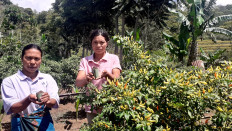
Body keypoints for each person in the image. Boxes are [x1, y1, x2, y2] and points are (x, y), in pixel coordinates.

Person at [1, 44, 60, 131]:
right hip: (20, 123)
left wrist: (48, 100)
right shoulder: (10, 81)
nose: (32, 62)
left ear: (41, 60)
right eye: (28, 58)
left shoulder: (47, 78)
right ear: (21, 58)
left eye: (37, 59)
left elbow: (54, 100)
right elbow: (12, 107)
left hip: (44, 122)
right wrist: (28, 99)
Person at [75, 29, 122, 124]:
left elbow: (117, 80)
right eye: (95, 42)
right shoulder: (85, 61)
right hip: (92, 106)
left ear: (107, 43)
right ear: (91, 44)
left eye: (102, 42)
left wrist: (107, 75)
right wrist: (87, 78)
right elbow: (78, 83)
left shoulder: (113, 58)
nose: (98, 45)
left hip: (111, 104)